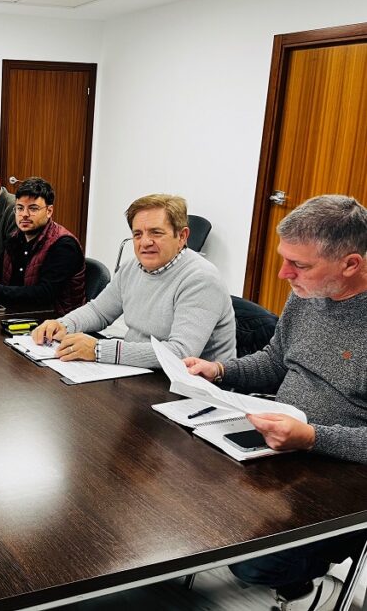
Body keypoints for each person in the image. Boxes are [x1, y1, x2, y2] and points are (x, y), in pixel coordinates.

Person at [183, 195, 367, 611]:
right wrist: (219, 371)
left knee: (255, 560)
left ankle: (306, 588)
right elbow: (274, 361)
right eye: (285, 259)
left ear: (350, 264)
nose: (284, 274)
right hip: (281, 446)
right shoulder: (307, 293)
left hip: (344, 473)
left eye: (298, 265)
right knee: (183, 488)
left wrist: (312, 438)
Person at [32, 194, 235, 368]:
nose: (145, 242)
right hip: (140, 373)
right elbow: (99, 311)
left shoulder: (201, 279)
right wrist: (64, 324)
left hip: (192, 388)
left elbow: (180, 353)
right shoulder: (132, 267)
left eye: (156, 232)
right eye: (138, 234)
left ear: (182, 236)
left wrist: (98, 350)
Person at [0, 177, 85, 315]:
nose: (24, 215)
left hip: (53, 320)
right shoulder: (17, 236)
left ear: (49, 211)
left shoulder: (64, 245)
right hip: (18, 311)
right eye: (20, 208)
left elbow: (44, 293)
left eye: (33, 208)